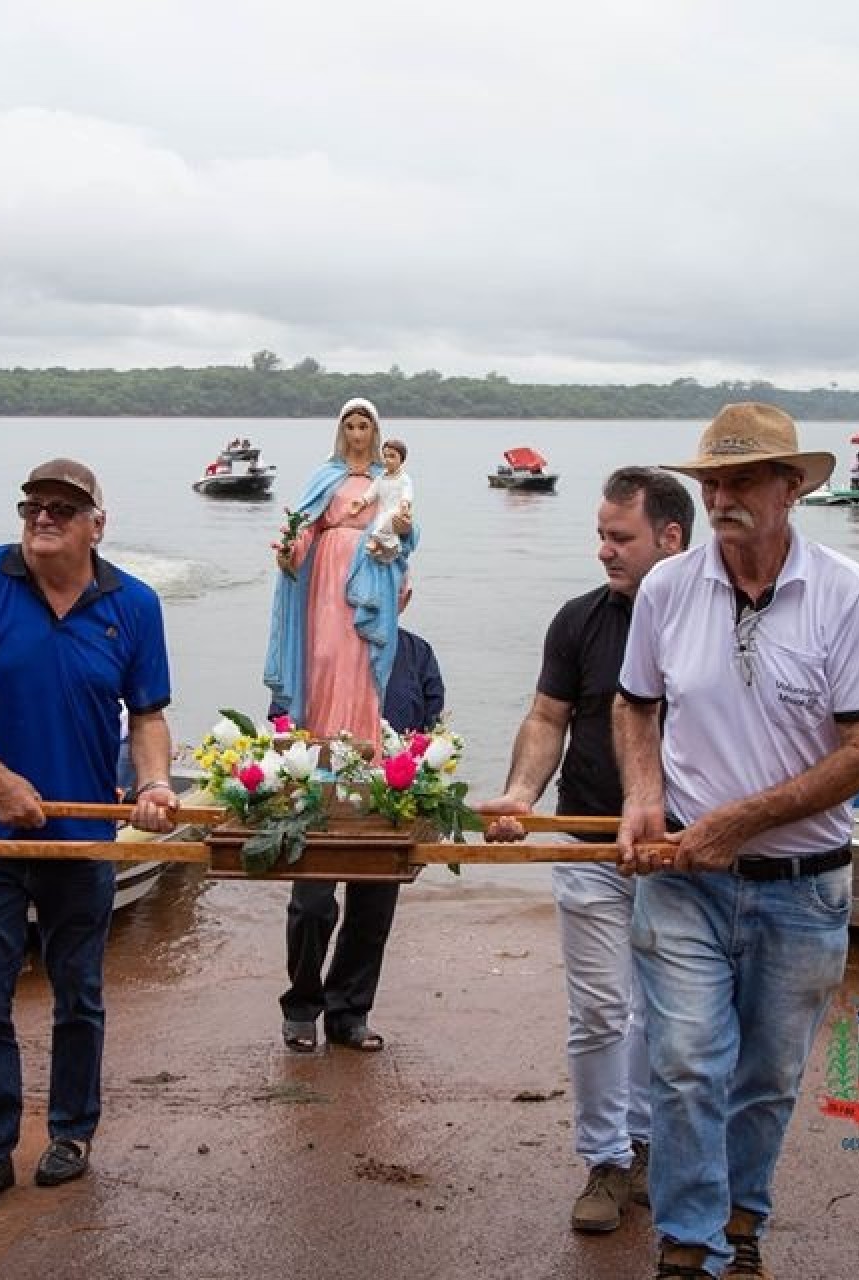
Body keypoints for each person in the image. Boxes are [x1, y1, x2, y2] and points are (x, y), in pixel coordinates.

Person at [612, 403, 859, 1280]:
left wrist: (737, 823)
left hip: (805, 888)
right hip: (683, 880)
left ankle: (741, 1225)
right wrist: (645, 793)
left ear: (792, 489)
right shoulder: (666, 588)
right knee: (689, 1061)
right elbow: (635, 703)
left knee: (767, 1081)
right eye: (710, 482)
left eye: (741, 481)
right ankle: (689, 1244)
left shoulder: (848, 594)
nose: (721, 497)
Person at [0, 458, 179, 1217]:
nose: (44, 517)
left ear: (98, 522)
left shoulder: (135, 603)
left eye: (64, 507)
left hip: (83, 842)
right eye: (34, 505)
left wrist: (154, 785)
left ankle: (70, 1134)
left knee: (79, 994)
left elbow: (148, 716)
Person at [477, 467, 694, 1234]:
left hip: (685, 849)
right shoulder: (579, 620)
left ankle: (646, 1146)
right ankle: (604, 1160)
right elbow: (546, 717)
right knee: (602, 1010)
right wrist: (521, 796)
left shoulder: (713, 614)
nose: (603, 550)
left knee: (669, 1015)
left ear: (670, 538)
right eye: (600, 534)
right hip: (588, 842)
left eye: (619, 537)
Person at [277, 579, 444, 1054]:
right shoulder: (317, 650)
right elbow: (283, 720)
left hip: (387, 805)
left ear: (405, 598)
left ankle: (349, 1013)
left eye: (393, 594)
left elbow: (430, 728)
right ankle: (301, 1005)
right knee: (311, 908)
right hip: (318, 803)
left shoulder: (418, 655)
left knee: (372, 914)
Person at [265, 397, 418, 749]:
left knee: (362, 658)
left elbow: (407, 532)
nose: (356, 434)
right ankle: (320, 742)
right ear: (341, 430)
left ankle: (362, 748)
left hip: (372, 570)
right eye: (350, 426)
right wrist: (291, 549)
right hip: (327, 573)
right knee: (325, 653)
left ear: (375, 431)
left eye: (363, 426)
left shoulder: (389, 478)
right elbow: (306, 524)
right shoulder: (326, 476)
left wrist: (404, 527)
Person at [349, 437, 415, 564]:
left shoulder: (404, 479)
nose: (387, 460)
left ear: (401, 460)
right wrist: (362, 502)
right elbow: (372, 492)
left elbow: (407, 492)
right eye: (385, 456)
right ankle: (383, 548)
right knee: (380, 521)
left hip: (397, 511)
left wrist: (405, 503)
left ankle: (375, 541)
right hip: (384, 510)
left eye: (392, 456)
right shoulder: (381, 478)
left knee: (387, 520)